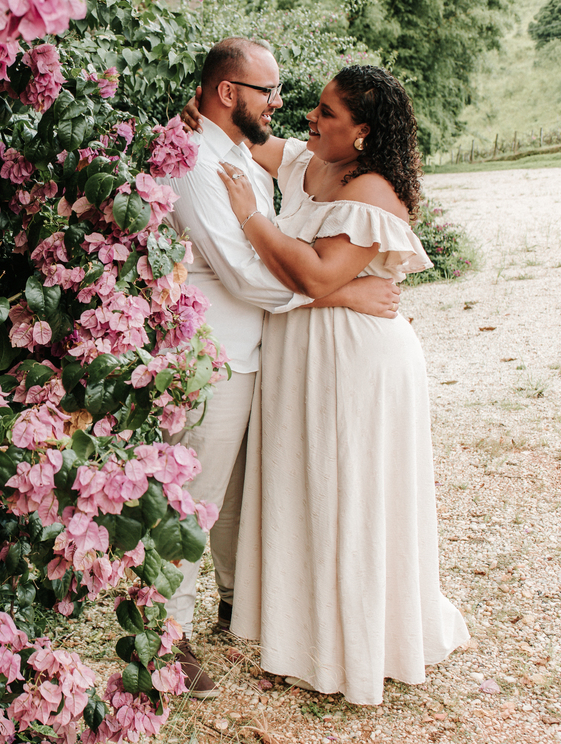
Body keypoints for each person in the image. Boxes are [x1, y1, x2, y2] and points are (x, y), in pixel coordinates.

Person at [210, 64, 470, 705]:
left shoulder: (375, 193)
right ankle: (301, 635)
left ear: (362, 134)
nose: (310, 118)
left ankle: (353, 648)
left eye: (326, 113)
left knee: (346, 493)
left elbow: (314, 278)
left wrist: (251, 217)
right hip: (308, 356)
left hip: (357, 365)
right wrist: (200, 114)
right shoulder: (307, 163)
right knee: (308, 489)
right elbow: (243, 134)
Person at [158, 39, 404, 700]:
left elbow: (272, 246)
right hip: (213, 355)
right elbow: (244, 273)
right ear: (231, 93)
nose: (283, 103)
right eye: (269, 90)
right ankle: (164, 640)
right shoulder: (198, 163)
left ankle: (240, 606)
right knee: (195, 501)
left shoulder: (240, 150)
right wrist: (343, 291)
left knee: (242, 496)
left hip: (260, 352)